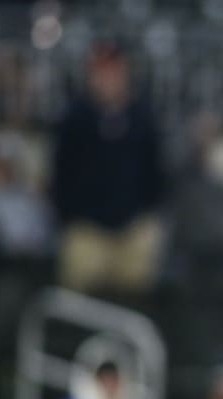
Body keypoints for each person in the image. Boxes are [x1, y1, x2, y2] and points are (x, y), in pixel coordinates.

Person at [50, 42, 166, 294]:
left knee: (136, 296)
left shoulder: (142, 117)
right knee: (79, 300)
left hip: (133, 227)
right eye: (100, 72)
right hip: (86, 228)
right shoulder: (74, 119)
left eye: (113, 71)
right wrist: (69, 216)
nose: (107, 79)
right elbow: (61, 174)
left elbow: (155, 171)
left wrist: (146, 214)